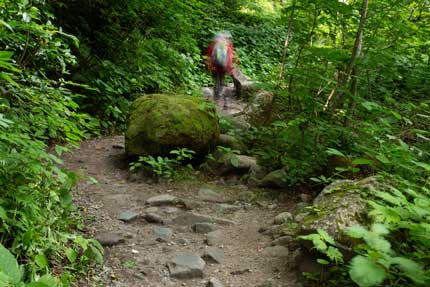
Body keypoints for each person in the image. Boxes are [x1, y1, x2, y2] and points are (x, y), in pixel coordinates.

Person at [206, 31, 237, 109]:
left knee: (216, 81)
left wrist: (209, 66)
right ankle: (222, 98)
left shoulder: (213, 45)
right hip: (223, 67)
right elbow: (230, 58)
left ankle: (216, 99)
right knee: (222, 81)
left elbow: (209, 56)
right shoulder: (228, 45)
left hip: (214, 67)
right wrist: (229, 68)